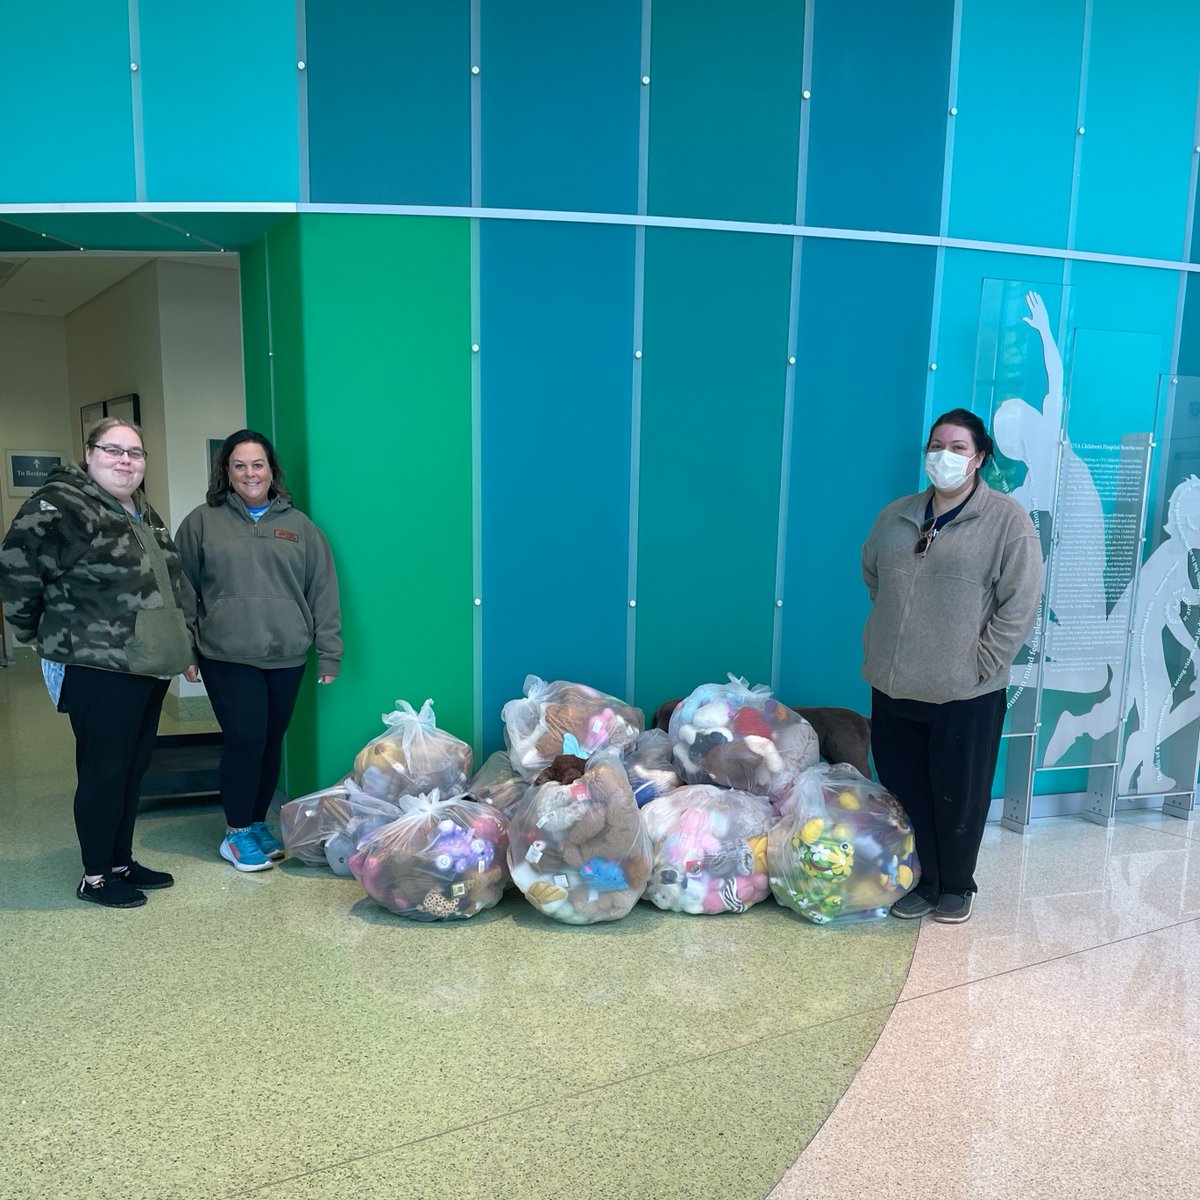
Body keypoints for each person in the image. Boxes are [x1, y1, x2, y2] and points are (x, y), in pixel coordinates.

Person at [0, 418, 193, 908]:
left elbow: (171, 580)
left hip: (144, 664)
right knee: (104, 771)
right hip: (98, 667)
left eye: (135, 453)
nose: (126, 461)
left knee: (132, 768)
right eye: (114, 450)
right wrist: (36, 633)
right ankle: (96, 876)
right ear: (89, 454)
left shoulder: (139, 509)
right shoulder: (61, 505)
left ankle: (120, 860)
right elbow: (17, 573)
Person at [861, 408, 1041, 923]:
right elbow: (873, 573)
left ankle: (957, 886)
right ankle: (924, 881)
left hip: (966, 691)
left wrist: (980, 660)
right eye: (937, 445)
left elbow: (1020, 603)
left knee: (959, 794)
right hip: (894, 683)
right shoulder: (896, 515)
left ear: (979, 457)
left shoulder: (1006, 521)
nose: (944, 455)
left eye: (958, 447)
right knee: (906, 785)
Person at [175, 429, 341, 873]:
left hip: (286, 654)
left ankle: (253, 821)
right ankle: (235, 835)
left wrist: (329, 652)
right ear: (226, 472)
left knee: (270, 744)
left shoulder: (300, 527)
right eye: (240, 465)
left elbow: (322, 591)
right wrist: (185, 648)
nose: (250, 473)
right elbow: (181, 589)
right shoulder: (201, 522)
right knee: (245, 741)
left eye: (258, 464)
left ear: (272, 470)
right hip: (226, 654)